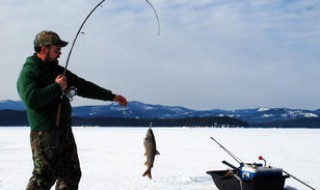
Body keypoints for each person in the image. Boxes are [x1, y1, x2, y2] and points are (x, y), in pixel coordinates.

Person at [17, 30, 128, 190]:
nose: (60, 53)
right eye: (56, 49)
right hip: (44, 134)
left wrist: (111, 96)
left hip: (64, 132)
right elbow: (31, 100)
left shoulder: (58, 71)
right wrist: (56, 87)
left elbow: (83, 86)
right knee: (43, 177)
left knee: (71, 173)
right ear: (43, 49)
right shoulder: (29, 72)